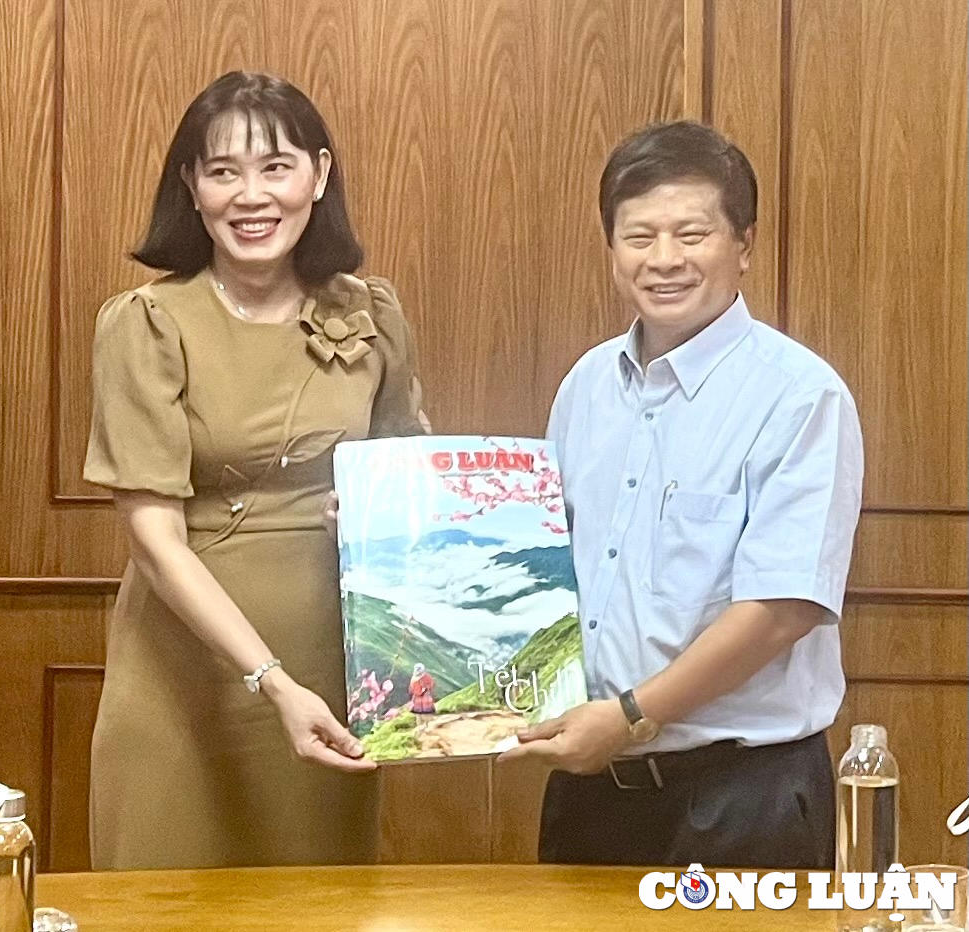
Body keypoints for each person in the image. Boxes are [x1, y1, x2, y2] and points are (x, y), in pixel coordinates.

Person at [82, 70, 425, 870]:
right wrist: (270, 682)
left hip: (330, 665)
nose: (251, 195)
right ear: (191, 190)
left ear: (319, 175)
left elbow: (409, 477)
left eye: (275, 167)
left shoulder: (372, 313)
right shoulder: (147, 323)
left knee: (316, 903)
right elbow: (154, 539)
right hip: (186, 673)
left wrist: (373, 511)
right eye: (222, 171)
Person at [502, 120, 863, 870]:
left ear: (743, 241)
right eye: (638, 236)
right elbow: (541, 561)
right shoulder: (585, 386)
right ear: (611, 247)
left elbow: (779, 611)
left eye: (690, 233)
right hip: (593, 786)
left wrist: (632, 716)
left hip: (741, 797)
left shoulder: (798, 397)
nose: (662, 260)